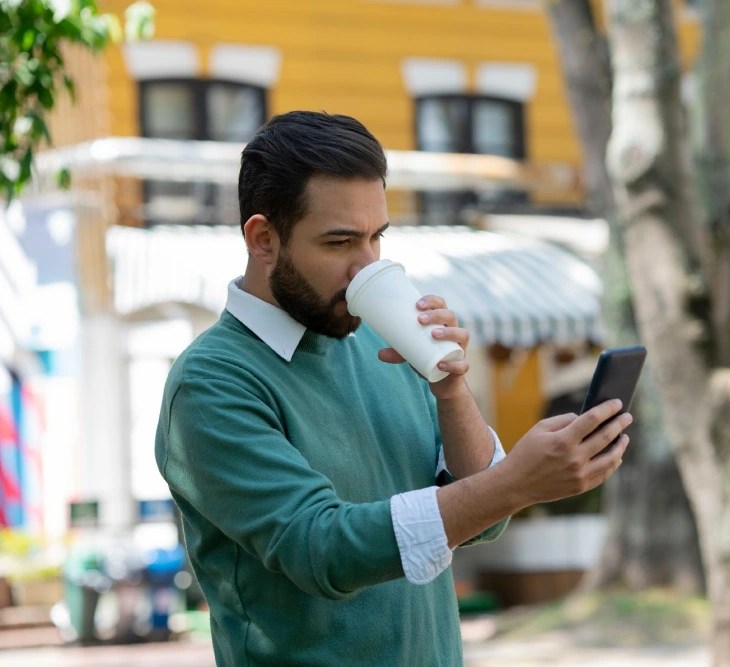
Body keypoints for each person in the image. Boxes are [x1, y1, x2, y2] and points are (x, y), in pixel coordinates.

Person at [154, 110, 631, 666]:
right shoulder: (211, 382)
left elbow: (482, 515)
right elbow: (321, 549)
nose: (367, 266)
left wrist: (450, 390)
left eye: (377, 237)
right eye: (339, 243)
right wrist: (516, 482)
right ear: (264, 239)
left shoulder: (379, 342)